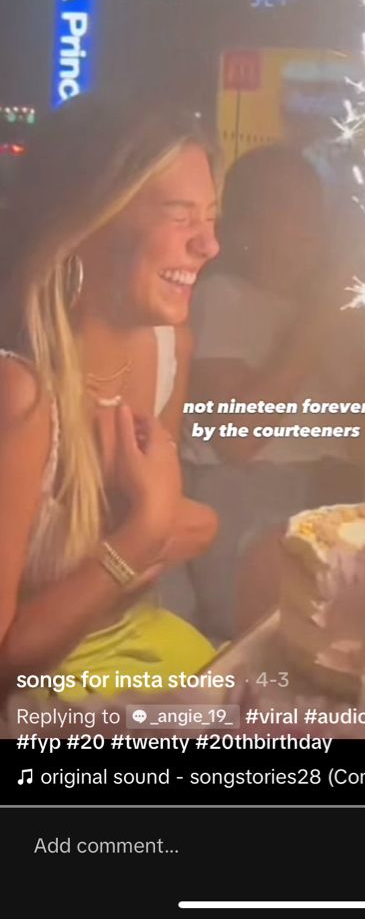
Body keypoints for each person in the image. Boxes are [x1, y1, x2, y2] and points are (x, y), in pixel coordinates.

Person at [0, 93, 220, 702]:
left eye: (212, 216)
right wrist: (144, 531)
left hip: (145, 648)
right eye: (180, 215)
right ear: (89, 219)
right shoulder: (18, 392)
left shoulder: (174, 346)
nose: (209, 245)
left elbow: (185, 520)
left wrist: (171, 524)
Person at [167, 144, 365, 644]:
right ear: (243, 226)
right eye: (288, 207)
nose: (309, 227)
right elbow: (238, 440)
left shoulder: (324, 316)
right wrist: (319, 318)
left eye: (314, 210)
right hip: (250, 506)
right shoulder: (223, 299)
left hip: (330, 495)